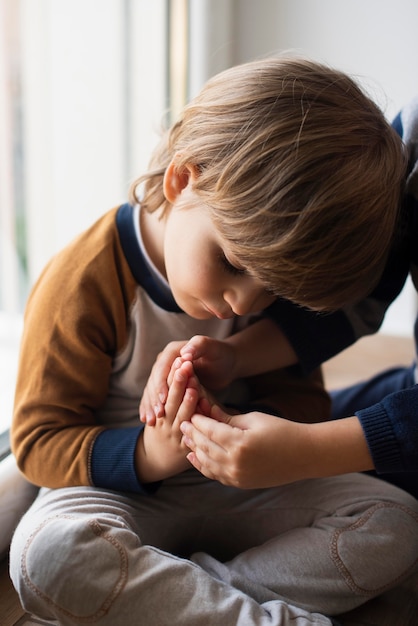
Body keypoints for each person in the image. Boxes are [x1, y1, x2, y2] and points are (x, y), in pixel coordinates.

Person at [9, 56, 418, 626]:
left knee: (396, 525)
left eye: (273, 290)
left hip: (240, 491)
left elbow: (303, 403)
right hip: (121, 493)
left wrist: (244, 431)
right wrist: (152, 454)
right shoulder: (85, 279)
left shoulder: (270, 286)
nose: (245, 303)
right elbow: (38, 440)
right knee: (48, 557)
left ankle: (195, 597)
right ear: (182, 179)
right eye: (230, 264)